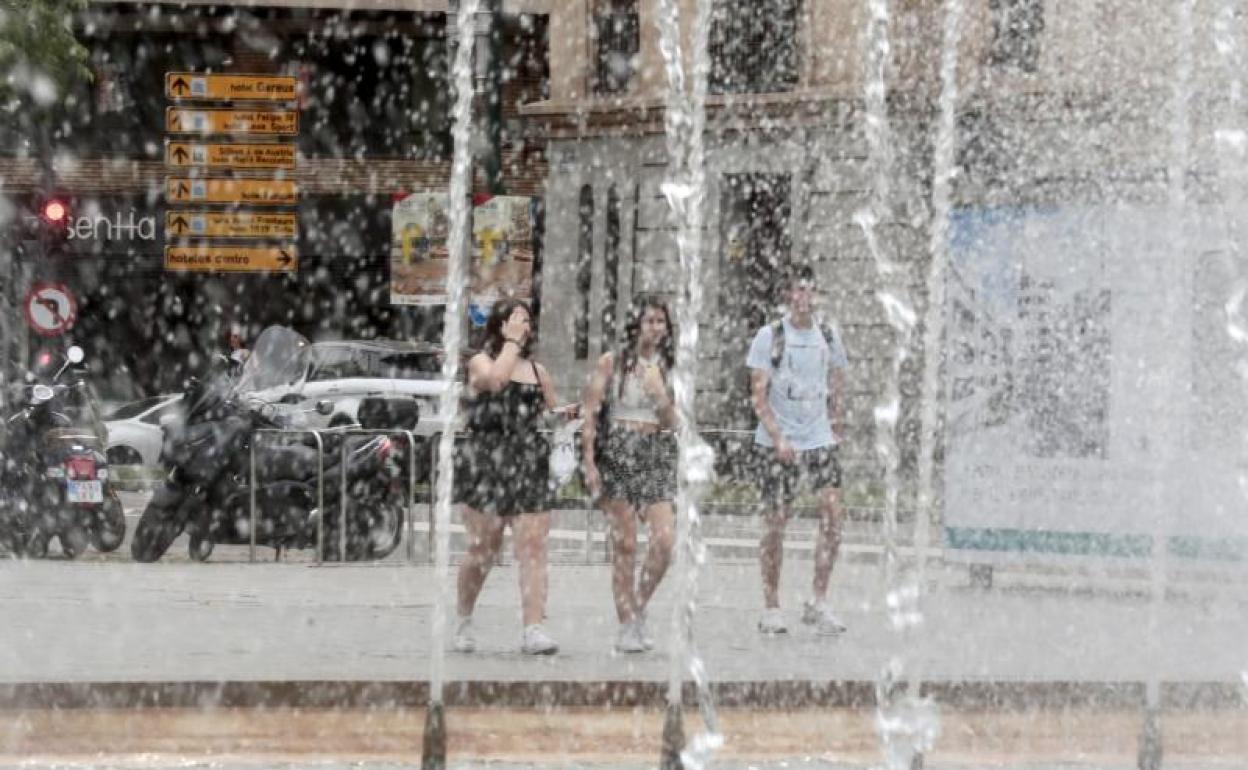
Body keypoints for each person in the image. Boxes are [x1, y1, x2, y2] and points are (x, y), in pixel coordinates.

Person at [452, 299, 569, 655]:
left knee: (533, 547)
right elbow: (495, 381)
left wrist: (568, 415)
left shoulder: (537, 372)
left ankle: (533, 627)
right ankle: (464, 618)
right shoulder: (479, 360)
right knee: (484, 549)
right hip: (486, 461)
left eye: (528, 321)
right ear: (500, 326)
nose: (525, 326)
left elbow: (550, 416)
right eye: (517, 320)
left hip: (528, 461)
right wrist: (511, 345)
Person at [747, 265, 850, 636]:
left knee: (834, 514)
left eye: (810, 290)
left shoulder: (828, 335)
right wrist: (778, 437)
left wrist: (836, 425)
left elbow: (837, 381)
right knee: (776, 522)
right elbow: (758, 394)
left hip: (819, 437)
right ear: (788, 296)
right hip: (779, 440)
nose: (805, 297)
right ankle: (771, 605)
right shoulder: (770, 336)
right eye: (798, 290)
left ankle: (818, 600)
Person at [581, 295, 678, 653]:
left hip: (654, 450)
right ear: (636, 323)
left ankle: (639, 605)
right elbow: (590, 413)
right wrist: (589, 461)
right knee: (625, 544)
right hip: (618, 448)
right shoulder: (613, 362)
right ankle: (626, 623)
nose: (655, 329)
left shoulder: (668, 366)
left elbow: (673, 423)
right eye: (649, 321)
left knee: (665, 541)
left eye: (660, 322)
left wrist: (660, 396)